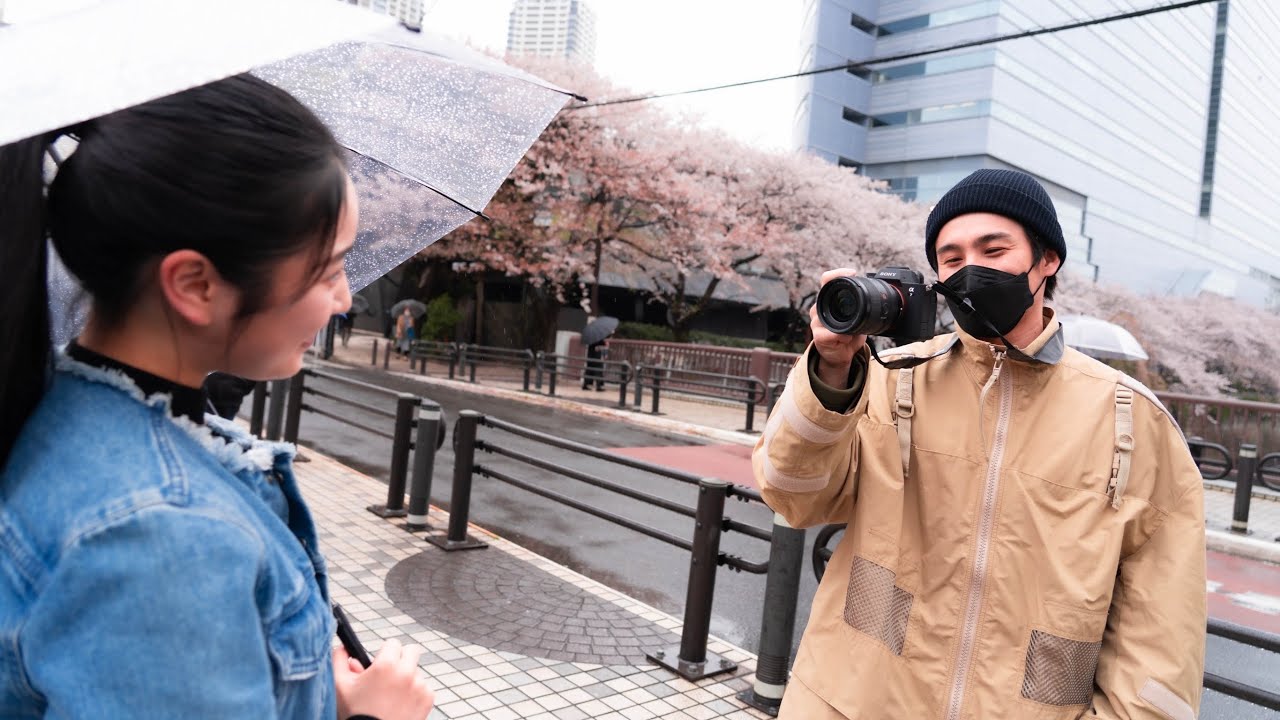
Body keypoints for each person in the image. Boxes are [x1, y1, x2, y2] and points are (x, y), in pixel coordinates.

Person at [0, 75, 433, 719]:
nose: (345, 300)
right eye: (330, 269)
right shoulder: (160, 536)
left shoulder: (75, 406)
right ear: (196, 284)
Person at [756, 169, 1206, 719]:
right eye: (951, 257)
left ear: (1047, 260)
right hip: (852, 700)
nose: (971, 268)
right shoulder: (889, 377)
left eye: (994, 249)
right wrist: (830, 367)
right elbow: (793, 495)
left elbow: (1162, 630)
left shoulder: (1131, 419)